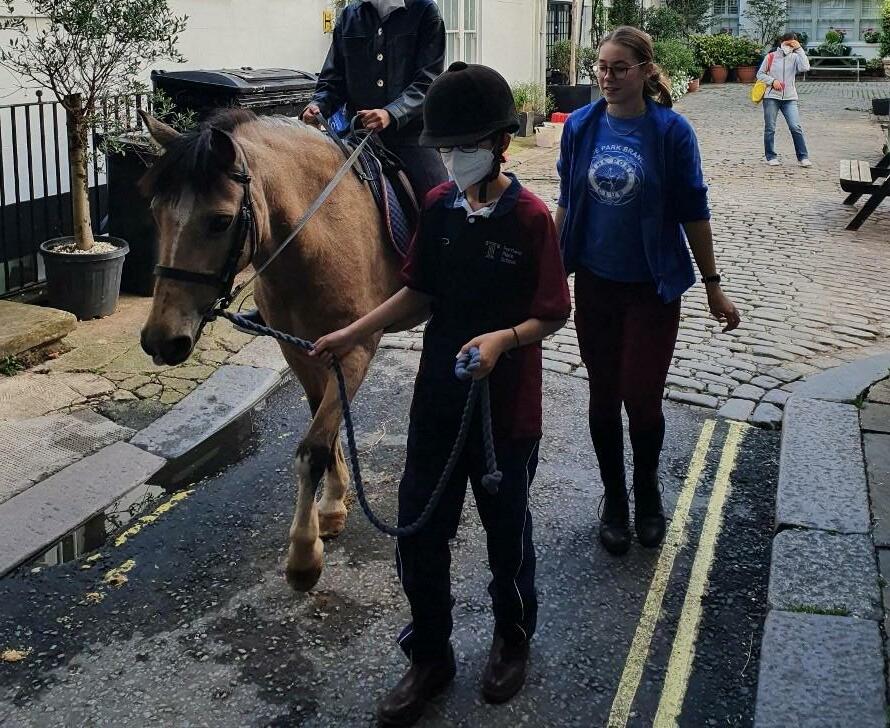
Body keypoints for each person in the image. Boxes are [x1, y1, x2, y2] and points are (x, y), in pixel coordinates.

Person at [312, 62, 572, 727]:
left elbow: (553, 311)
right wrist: (353, 331)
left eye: (465, 146)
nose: (454, 158)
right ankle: (431, 654)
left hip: (505, 406)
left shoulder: (531, 219)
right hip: (438, 396)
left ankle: (512, 637)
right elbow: (418, 293)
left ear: (501, 143)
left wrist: (504, 340)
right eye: (446, 148)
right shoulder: (437, 207)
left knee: (506, 531)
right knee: (420, 531)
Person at [555, 26, 741, 557]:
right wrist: (551, 269)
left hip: (651, 289)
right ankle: (614, 498)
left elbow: (694, 211)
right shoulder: (582, 126)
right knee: (601, 394)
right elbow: (567, 200)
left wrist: (713, 285)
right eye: (601, 67)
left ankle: (648, 491)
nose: (607, 78)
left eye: (619, 68)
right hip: (596, 284)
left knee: (641, 396)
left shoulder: (670, 132)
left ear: (644, 71)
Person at [305, 0, 449, 200]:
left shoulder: (425, 10)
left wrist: (391, 113)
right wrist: (318, 105)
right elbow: (333, 79)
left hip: (410, 136)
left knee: (439, 199)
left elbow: (428, 81)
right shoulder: (349, 15)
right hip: (357, 134)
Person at [756, 32, 812, 167]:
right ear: (782, 42)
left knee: (795, 127)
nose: (789, 46)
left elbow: (805, 67)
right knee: (770, 127)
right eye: (788, 43)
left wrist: (799, 49)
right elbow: (760, 74)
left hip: (790, 97)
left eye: (793, 44)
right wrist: (772, 81)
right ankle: (770, 156)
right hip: (771, 97)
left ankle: (803, 157)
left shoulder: (796, 57)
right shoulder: (770, 57)